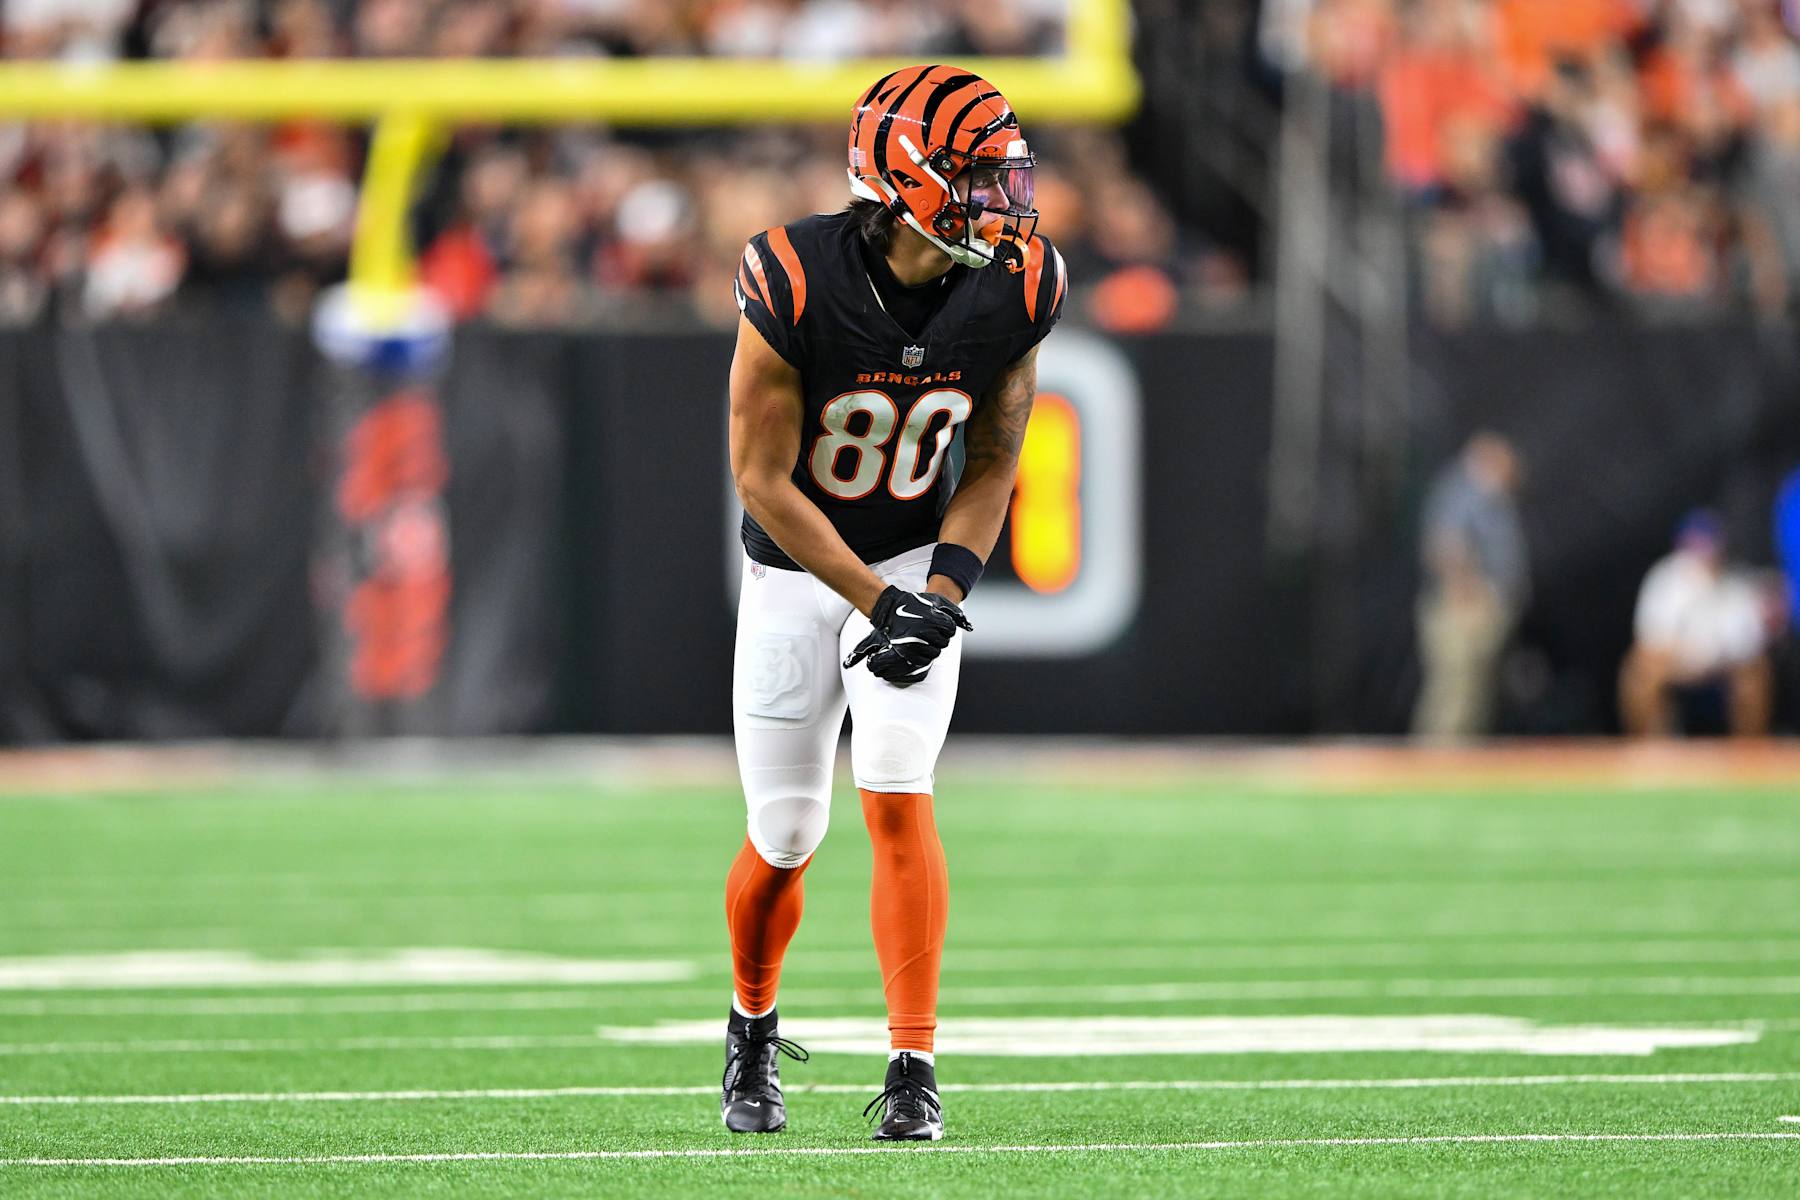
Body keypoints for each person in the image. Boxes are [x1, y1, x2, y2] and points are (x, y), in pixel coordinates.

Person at [720, 65, 1064, 1142]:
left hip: (913, 562)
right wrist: (876, 601)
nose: (1002, 203)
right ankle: (751, 1029)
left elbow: (998, 452)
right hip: (795, 570)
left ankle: (913, 1067)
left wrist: (943, 591)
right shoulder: (793, 274)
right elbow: (762, 479)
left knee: (898, 788)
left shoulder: (1020, 282)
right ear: (905, 175)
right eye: (976, 177)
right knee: (785, 832)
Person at [1412, 432, 1529, 740]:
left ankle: (1459, 765)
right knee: (1455, 689)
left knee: (1474, 693)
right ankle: (1435, 766)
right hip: (1462, 609)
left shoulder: (1493, 498)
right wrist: (1465, 593)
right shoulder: (1462, 492)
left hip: (1482, 607)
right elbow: (1445, 545)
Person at [1619, 511, 1774, 738]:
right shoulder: (1666, 579)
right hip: (1678, 661)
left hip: (1721, 666)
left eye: (1709, 544)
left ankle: (1749, 750)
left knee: (1755, 674)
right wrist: (1688, 656)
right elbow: (1652, 639)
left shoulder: (1735, 583)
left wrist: (1713, 658)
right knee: (1639, 672)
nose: (1705, 552)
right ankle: (1651, 746)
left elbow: (1746, 645)